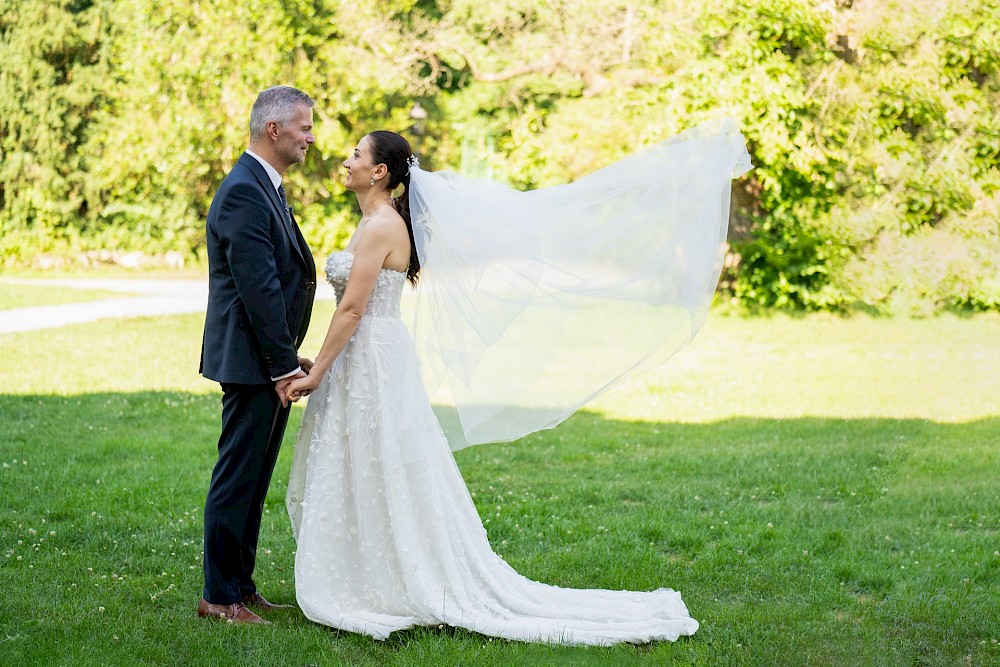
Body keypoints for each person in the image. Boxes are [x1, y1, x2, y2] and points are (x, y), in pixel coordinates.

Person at [282, 124, 749, 644]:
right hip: (371, 356)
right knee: (371, 459)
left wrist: (316, 372)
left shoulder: (380, 227)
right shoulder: (375, 221)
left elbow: (351, 309)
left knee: (382, 457)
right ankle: (373, 571)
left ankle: (394, 575)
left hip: (370, 355)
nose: (345, 161)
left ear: (380, 171)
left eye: (356, 154)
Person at [198, 86, 318, 625]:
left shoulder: (263, 185)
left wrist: (291, 357)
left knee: (253, 481)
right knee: (237, 479)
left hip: (267, 361)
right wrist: (283, 366)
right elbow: (259, 287)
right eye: (304, 127)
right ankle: (217, 597)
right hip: (253, 366)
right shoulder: (245, 190)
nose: (311, 138)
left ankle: (240, 588)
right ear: (274, 130)